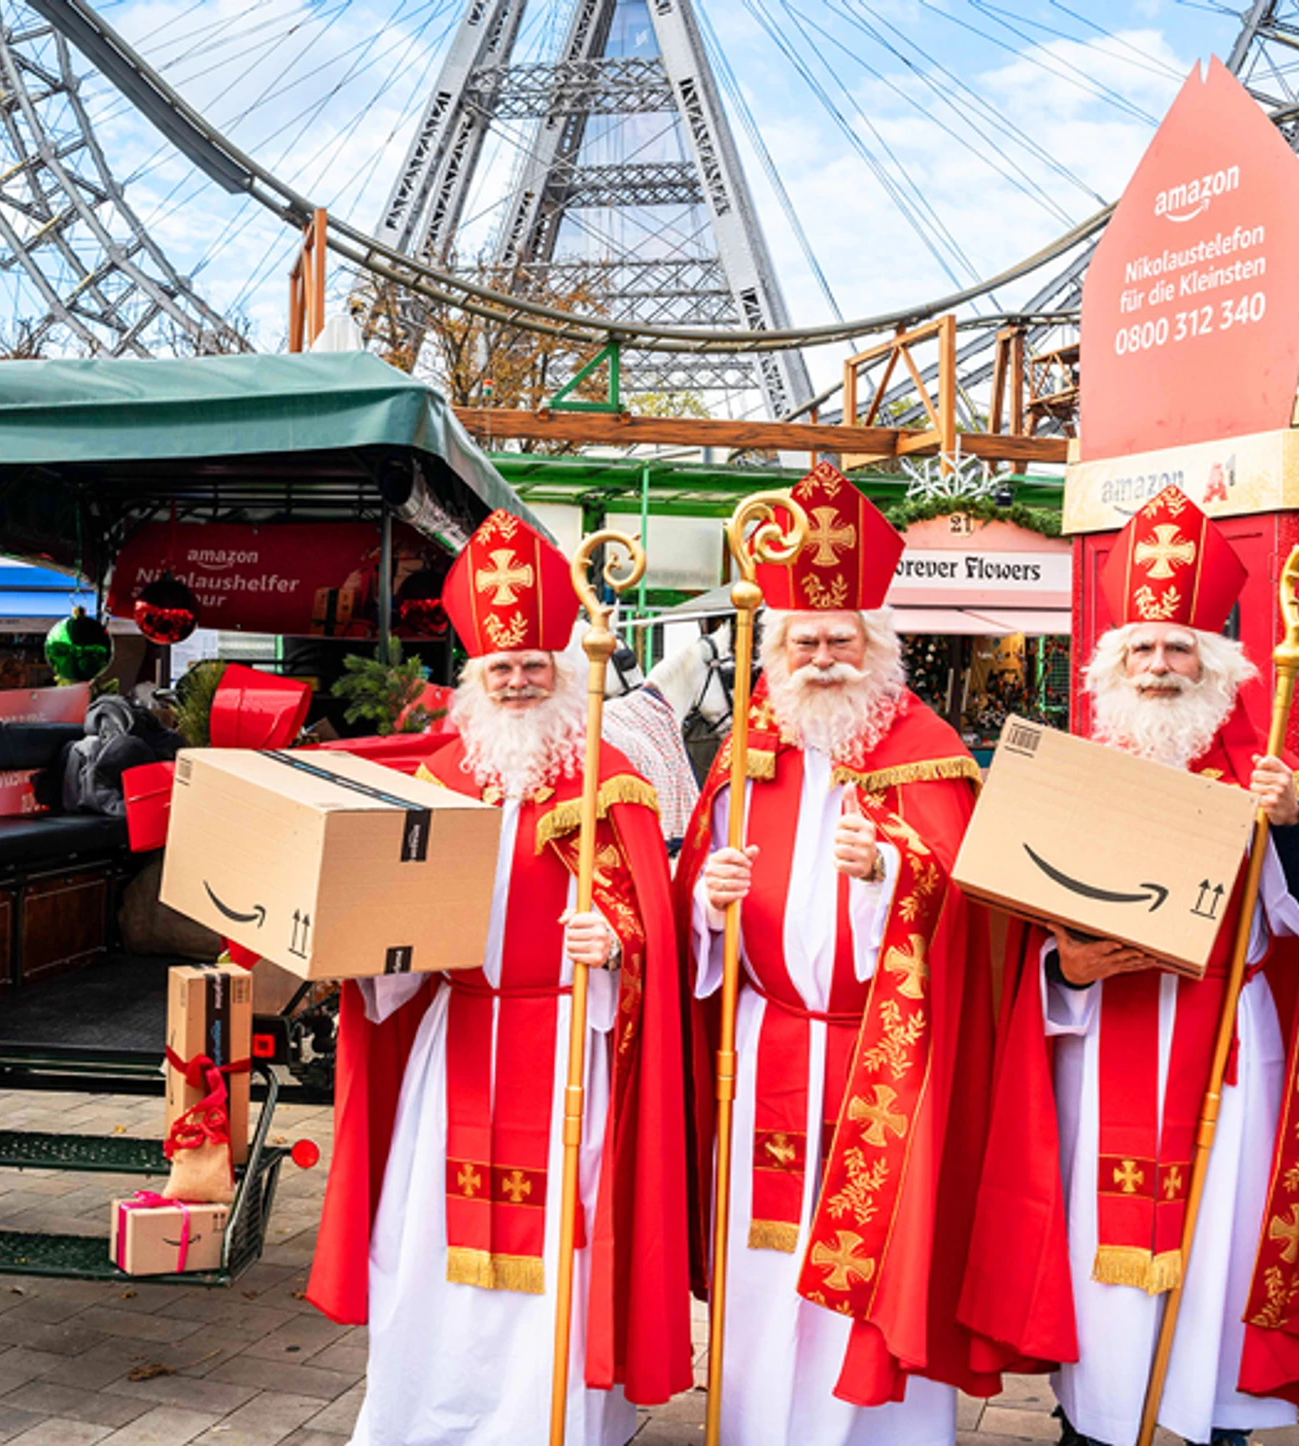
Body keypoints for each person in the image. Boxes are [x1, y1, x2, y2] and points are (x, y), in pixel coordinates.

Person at [963, 486, 1299, 1446]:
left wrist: (1287, 826)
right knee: (1090, 1256)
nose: (1160, 666)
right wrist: (1067, 969)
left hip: (1225, 1048)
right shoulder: (1072, 771)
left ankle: (1210, 1423)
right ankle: (1096, 1422)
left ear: (1216, 661)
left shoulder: (1269, 775)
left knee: (1216, 1257)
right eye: (1143, 648)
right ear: (1115, 662)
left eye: (1179, 647)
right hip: (1100, 1038)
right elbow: (1022, 928)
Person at [306, 511, 691, 1446]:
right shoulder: (435, 784)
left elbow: (655, 938)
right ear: (472, 678)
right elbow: (387, 942)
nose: (518, 682)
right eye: (499, 669)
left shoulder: (614, 787)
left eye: (534, 666)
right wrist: (364, 959)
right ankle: (420, 1423)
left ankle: (540, 1423)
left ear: (564, 668)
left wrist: (617, 954)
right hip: (455, 1043)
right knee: (427, 1244)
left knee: (563, 1248)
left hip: (569, 1044)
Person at [681, 463, 1010, 1443]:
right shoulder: (746, 755)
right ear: (776, 650)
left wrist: (892, 875)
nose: (822, 655)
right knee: (763, 1261)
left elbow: (976, 915)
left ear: (876, 646)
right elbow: (693, 896)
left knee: (878, 1264)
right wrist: (708, 901)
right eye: (803, 641)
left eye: (840, 638)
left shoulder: (929, 747)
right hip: (766, 1046)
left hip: (886, 1063)